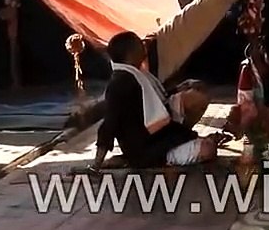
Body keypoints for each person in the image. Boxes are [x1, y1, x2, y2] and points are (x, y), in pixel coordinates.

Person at [91, 31, 218, 171]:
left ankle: (183, 142)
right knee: (208, 149)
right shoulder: (119, 83)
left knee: (196, 95)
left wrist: (178, 89)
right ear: (130, 53)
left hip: (158, 138)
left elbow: (157, 101)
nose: (144, 45)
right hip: (147, 150)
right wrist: (97, 164)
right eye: (140, 43)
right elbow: (109, 124)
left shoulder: (136, 75)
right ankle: (165, 155)